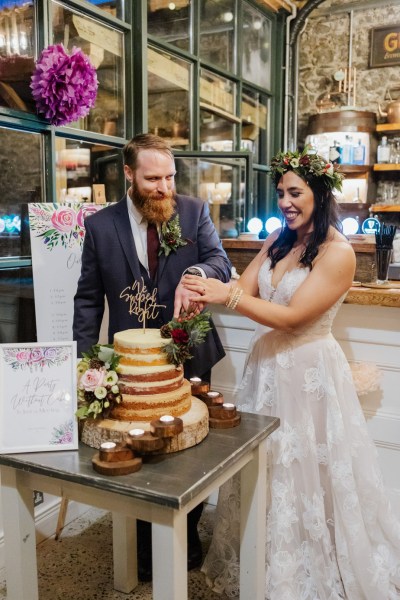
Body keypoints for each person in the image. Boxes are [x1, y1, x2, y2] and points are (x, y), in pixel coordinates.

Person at [182, 147, 400, 599]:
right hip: (265, 370)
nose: (285, 201)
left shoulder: (338, 253)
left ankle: (309, 564)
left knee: (306, 467)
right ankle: (260, 554)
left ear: (320, 193)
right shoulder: (279, 240)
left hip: (309, 374)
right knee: (267, 465)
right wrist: (203, 286)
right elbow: (242, 286)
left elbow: (292, 318)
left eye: (295, 192)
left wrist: (228, 297)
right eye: (281, 192)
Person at [73, 132, 232, 582]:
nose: (164, 187)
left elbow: (220, 262)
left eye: (169, 177)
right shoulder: (101, 226)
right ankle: (145, 541)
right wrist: (87, 364)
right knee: (141, 448)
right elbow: (87, 300)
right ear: (128, 174)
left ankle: (189, 531)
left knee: (189, 450)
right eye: (152, 179)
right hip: (131, 364)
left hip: (192, 350)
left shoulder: (194, 211)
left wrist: (196, 274)